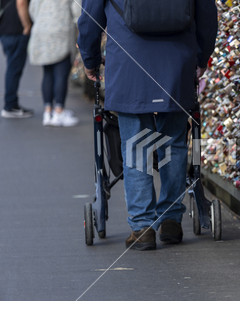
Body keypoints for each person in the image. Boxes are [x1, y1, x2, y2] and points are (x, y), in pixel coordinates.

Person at [77, 0, 218, 250]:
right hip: (176, 63)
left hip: (129, 63)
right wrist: (201, 57)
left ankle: (143, 226)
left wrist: (90, 60)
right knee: (174, 143)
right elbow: (207, 15)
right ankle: (171, 219)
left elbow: (90, 20)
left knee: (136, 146)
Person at [28, 0, 80, 127]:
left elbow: (32, 10)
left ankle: (48, 112)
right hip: (62, 30)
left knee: (47, 72)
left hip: (42, 30)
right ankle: (59, 112)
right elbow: (77, 11)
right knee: (61, 74)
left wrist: (43, 20)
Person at [0, 0, 33, 118]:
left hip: (5, 30)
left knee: (12, 67)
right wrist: (27, 25)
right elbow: (21, 2)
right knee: (14, 69)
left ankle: (11, 104)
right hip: (17, 29)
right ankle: (10, 105)